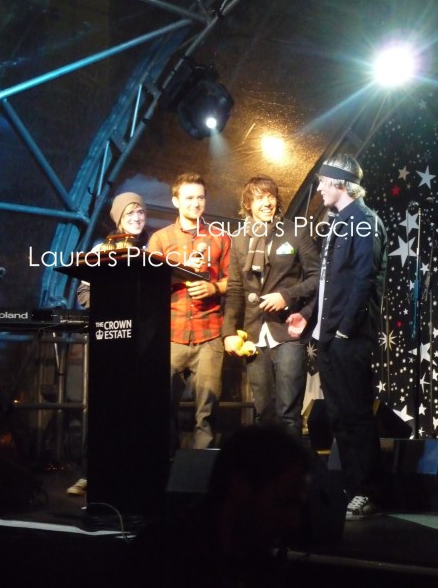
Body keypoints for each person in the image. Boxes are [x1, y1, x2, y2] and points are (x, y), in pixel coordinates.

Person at [135, 423, 313, 588]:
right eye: (284, 503)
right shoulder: (161, 555)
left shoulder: (256, 564)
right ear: (240, 487)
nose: (294, 521)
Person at [311, 153, 388, 520]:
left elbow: (363, 278)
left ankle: (369, 491)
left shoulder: (364, 221)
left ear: (340, 183)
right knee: (338, 414)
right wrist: (312, 321)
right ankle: (352, 485)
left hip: (349, 336)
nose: (319, 189)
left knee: (356, 414)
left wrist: (343, 329)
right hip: (329, 334)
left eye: (323, 182)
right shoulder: (337, 222)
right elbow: (329, 282)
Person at [222, 175, 319, 436]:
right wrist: (229, 332)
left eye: (270, 196)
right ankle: (267, 463)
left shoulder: (295, 232)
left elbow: (318, 278)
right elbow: (235, 290)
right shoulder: (239, 239)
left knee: (288, 413)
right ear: (247, 204)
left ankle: (294, 463)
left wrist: (286, 296)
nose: (267, 203)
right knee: (264, 412)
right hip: (254, 334)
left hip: (287, 331)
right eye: (259, 198)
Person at [67, 191, 148, 496]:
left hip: (143, 343)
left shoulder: (152, 249)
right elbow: (84, 293)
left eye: (140, 212)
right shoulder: (101, 249)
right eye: (130, 213)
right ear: (117, 218)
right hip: (108, 338)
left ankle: (134, 475)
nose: (137, 218)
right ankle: (91, 474)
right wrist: (112, 303)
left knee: (138, 409)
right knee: (102, 406)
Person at [147, 173, 231, 452]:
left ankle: (201, 470)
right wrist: (181, 270)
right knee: (160, 407)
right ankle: (166, 465)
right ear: (175, 201)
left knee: (207, 412)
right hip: (171, 334)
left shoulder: (220, 237)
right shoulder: (160, 239)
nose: (196, 203)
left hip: (210, 334)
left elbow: (234, 281)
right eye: (189, 198)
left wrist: (213, 288)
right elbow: (149, 284)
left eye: (200, 197)